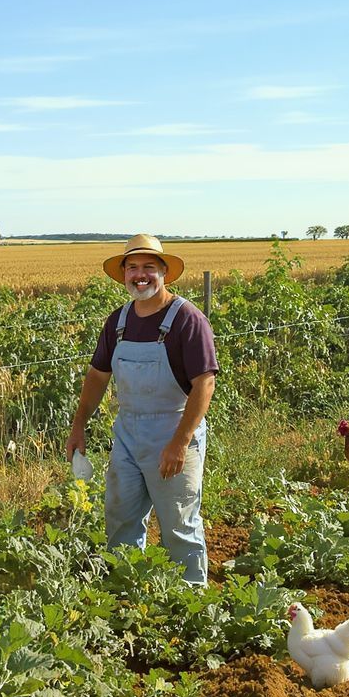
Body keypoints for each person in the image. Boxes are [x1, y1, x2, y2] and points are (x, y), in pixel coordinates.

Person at [65, 234, 218, 585]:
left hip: (174, 432)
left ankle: (190, 598)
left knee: (178, 524)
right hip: (128, 436)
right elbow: (97, 376)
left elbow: (204, 384)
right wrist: (78, 426)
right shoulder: (118, 322)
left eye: (149, 267)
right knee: (120, 518)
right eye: (132, 267)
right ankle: (127, 589)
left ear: (164, 272)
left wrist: (180, 442)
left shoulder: (187, 319)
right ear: (124, 274)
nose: (140, 275)